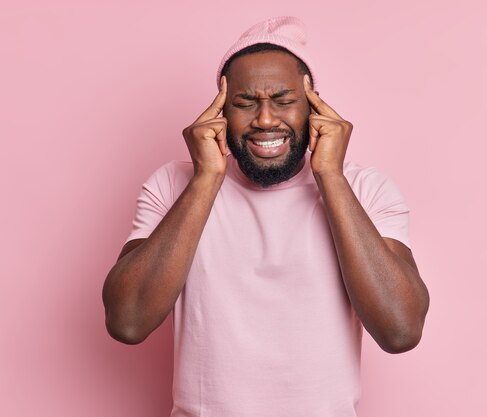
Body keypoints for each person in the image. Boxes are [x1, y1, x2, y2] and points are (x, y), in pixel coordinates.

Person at [102, 16, 429, 417]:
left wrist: (330, 175)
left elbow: (401, 330)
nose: (266, 119)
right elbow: (127, 321)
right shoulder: (173, 185)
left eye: (284, 100)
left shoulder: (365, 189)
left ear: (314, 106)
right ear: (219, 110)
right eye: (244, 103)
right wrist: (206, 177)